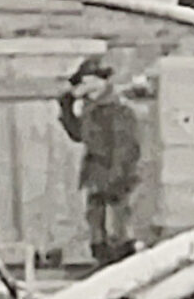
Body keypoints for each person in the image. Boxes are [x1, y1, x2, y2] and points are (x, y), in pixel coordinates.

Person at [57, 59, 142, 267]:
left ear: (100, 81)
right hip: (96, 172)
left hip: (115, 173)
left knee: (118, 223)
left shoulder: (116, 108)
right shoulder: (90, 107)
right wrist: (66, 107)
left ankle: (122, 258)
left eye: (86, 81)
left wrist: (116, 176)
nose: (81, 86)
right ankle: (102, 257)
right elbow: (78, 134)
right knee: (96, 221)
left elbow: (125, 146)